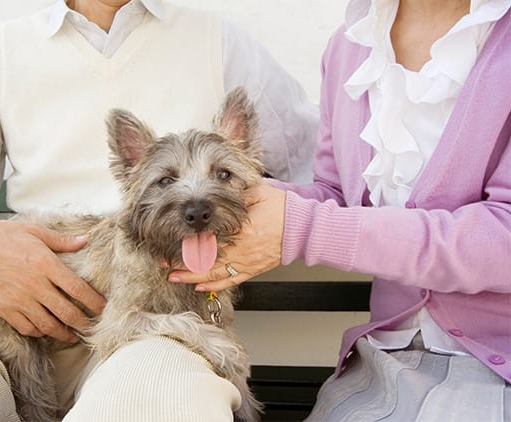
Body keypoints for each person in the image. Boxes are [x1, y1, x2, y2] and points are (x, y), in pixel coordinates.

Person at [0, 0, 319, 420]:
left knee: (160, 399)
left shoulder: (221, 41)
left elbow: (320, 175)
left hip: (161, 323)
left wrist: (265, 225)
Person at [171, 0, 511, 419]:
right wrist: (234, 201)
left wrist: (303, 229)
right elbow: (336, 195)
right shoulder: (350, 46)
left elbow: (503, 238)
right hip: (384, 363)